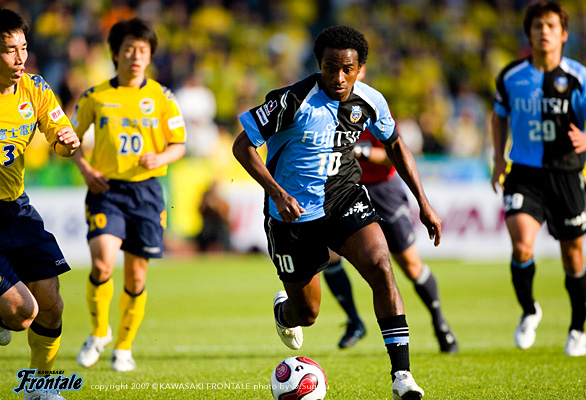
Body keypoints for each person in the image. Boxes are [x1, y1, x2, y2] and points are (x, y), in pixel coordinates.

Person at [233, 25, 442, 400]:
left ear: (360, 68)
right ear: (320, 65)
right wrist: (277, 193)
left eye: (348, 69)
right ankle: (285, 313)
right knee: (307, 314)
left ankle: (402, 376)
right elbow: (242, 146)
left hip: (344, 199)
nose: (339, 77)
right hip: (292, 216)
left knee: (381, 266)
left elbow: (395, 145)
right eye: (331, 68)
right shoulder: (291, 100)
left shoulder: (371, 101)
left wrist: (424, 203)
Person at [71, 17, 186, 371]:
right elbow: (72, 140)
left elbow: (179, 144)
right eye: (129, 50)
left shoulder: (163, 97)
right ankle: (98, 332)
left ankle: (123, 347)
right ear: (115, 54)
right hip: (106, 190)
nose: (136, 57)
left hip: (147, 193)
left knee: (136, 277)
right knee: (102, 263)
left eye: (143, 51)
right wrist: (85, 169)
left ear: (150, 56)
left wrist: (160, 157)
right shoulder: (95, 96)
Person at [491, 0, 586, 357]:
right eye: (538, 26)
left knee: (573, 255)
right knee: (522, 245)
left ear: (564, 34)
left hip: (566, 173)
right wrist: (498, 158)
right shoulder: (511, 76)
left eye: (551, 26)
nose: (544, 32)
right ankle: (529, 310)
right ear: (529, 33)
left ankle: (578, 329)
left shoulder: (579, 78)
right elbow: (499, 115)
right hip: (523, 173)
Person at [0, 8, 80, 400]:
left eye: (24, 48)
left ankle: (39, 389)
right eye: (9, 50)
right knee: (21, 312)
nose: (20, 58)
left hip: (16, 210)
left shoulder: (34, 88)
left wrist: (67, 144)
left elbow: (60, 137)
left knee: (50, 303)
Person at [324, 127, 458, 353]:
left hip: (382, 191)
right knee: (330, 255)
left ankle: (439, 322)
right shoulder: (324, 113)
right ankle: (354, 321)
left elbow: (393, 153)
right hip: (345, 191)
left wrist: (360, 151)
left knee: (410, 265)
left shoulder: (371, 111)